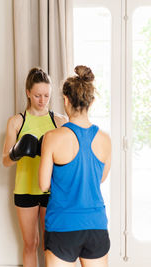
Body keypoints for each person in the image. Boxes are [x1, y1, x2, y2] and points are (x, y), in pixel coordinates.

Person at [39, 65, 112, 267]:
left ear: (65, 100)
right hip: (96, 225)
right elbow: (100, 178)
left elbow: (43, 185)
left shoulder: (52, 137)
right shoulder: (105, 139)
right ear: (92, 101)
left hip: (62, 225)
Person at [2, 67, 67, 267]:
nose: (42, 100)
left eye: (46, 95)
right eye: (37, 95)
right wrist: (18, 151)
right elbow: (5, 161)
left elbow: (66, 157)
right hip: (25, 189)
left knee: (50, 245)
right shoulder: (16, 122)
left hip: (51, 190)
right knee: (30, 244)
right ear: (28, 93)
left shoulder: (59, 121)